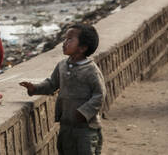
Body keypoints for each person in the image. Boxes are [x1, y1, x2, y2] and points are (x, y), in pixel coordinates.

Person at [20, 24, 106, 155]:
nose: (64, 43)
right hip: (66, 124)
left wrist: (84, 112)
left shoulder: (91, 70)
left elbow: (99, 95)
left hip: (87, 127)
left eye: (70, 39)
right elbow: (52, 84)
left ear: (82, 48)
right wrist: (35, 88)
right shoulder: (62, 66)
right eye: (65, 39)